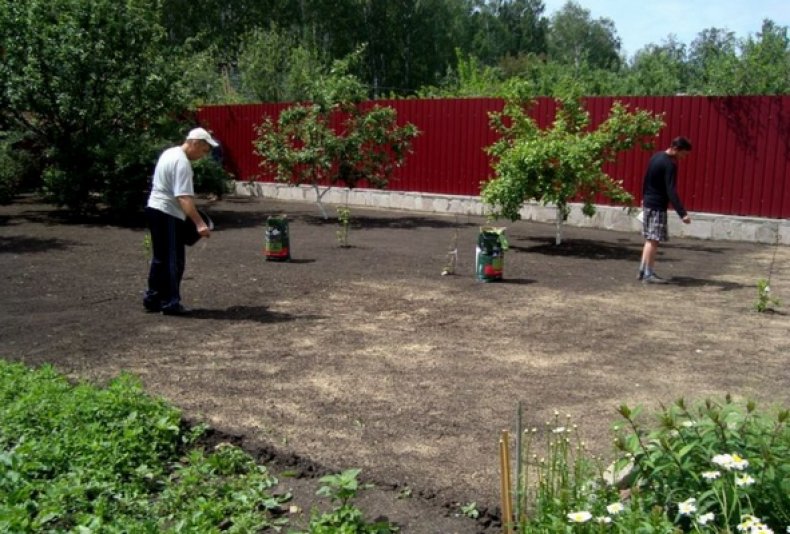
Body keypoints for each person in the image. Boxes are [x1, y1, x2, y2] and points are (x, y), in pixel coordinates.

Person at [143, 127, 218, 315]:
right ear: (195, 143)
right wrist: (199, 223)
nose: (203, 155)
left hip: (154, 208)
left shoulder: (169, 153)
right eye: (203, 150)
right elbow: (183, 197)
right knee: (173, 260)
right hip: (168, 213)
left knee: (160, 258)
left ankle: (153, 298)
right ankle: (170, 302)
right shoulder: (182, 162)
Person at [638, 136, 693, 284]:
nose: (683, 157)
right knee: (654, 240)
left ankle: (642, 270)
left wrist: (643, 197)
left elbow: (646, 179)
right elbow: (671, 190)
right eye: (683, 154)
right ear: (676, 149)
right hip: (657, 205)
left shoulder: (656, 157)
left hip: (648, 202)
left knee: (649, 238)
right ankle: (649, 274)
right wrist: (682, 213)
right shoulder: (670, 164)